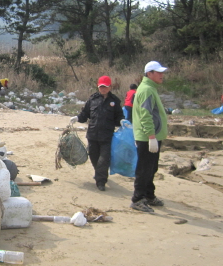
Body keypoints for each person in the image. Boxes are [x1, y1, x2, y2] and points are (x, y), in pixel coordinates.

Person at [70, 75, 124, 191]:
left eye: (105, 87)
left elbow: (119, 116)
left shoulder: (114, 101)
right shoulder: (92, 99)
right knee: (94, 157)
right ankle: (100, 173)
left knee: (103, 160)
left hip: (107, 136)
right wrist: (77, 118)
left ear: (110, 87)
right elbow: (85, 114)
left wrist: (122, 121)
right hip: (93, 134)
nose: (103, 89)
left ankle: (101, 182)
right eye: (101, 87)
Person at [130, 61, 168, 212]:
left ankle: (149, 195)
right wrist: (151, 136)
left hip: (152, 136)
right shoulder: (146, 90)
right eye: (158, 72)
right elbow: (145, 115)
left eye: (162, 72)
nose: (161, 75)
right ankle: (137, 199)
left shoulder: (150, 88)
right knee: (145, 169)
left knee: (152, 168)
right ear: (149, 74)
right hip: (148, 137)